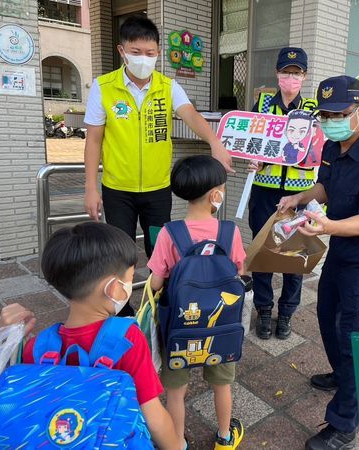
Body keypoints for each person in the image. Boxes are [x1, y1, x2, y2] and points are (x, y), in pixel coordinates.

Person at [278, 75, 359, 450]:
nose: (331, 119)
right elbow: (327, 187)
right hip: (341, 253)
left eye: (340, 113)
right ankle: (342, 374)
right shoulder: (332, 145)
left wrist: (328, 225)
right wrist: (300, 197)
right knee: (328, 317)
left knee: (356, 337)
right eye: (325, 114)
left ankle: (345, 422)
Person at [83, 16, 233, 315]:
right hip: (117, 190)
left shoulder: (168, 87)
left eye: (150, 53)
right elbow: (93, 140)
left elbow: (190, 116)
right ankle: (123, 315)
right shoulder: (104, 87)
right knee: (120, 256)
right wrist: (90, 187)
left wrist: (215, 143)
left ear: (158, 52)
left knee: (159, 250)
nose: (144, 59)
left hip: (157, 190)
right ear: (121, 50)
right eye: (136, 51)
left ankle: (161, 307)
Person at [0, 222, 181, 450]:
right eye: (131, 277)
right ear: (114, 288)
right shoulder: (128, 340)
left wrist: (3, 342)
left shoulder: (36, 347)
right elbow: (152, 415)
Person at [148, 155, 246, 450]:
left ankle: (176, 442)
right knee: (222, 384)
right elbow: (238, 271)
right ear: (215, 194)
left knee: (176, 392)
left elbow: (155, 282)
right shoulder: (230, 232)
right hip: (221, 327)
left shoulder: (170, 232)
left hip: (180, 326)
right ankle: (225, 438)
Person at [248, 47, 317, 340]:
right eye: (286, 72)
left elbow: (320, 148)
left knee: (294, 257)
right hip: (265, 191)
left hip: (299, 194)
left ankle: (286, 312)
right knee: (264, 253)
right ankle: (264, 309)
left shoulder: (314, 110)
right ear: (277, 74)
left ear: (304, 76)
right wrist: (251, 157)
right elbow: (249, 140)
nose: (291, 77)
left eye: (297, 72)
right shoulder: (262, 105)